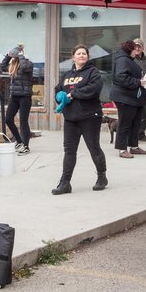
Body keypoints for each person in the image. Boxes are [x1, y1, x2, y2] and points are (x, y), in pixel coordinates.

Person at [52, 44, 108, 194]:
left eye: (84, 53)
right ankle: (65, 183)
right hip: (71, 118)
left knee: (93, 148)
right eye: (78, 53)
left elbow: (94, 89)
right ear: (73, 57)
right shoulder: (66, 75)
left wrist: (73, 94)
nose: (81, 55)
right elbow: (58, 90)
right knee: (69, 151)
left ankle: (102, 177)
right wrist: (59, 97)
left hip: (90, 116)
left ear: (88, 57)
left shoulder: (93, 72)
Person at [110, 40, 146, 158]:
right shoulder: (123, 60)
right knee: (125, 123)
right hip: (124, 97)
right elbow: (121, 77)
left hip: (132, 97)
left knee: (135, 122)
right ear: (129, 50)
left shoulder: (127, 60)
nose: (136, 52)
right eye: (134, 50)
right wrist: (138, 82)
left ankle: (133, 146)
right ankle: (122, 149)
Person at [0, 44, 33, 155]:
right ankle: (19, 141)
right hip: (14, 96)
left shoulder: (28, 63)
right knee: (8, 119)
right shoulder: (12, 65)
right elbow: (1, 67)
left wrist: (21, 56)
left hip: (25, 96)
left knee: (23, 122)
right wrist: (8, 56)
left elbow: (24, 67)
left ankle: (26, 147)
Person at [133, 38, 146, 143]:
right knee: (134, 114)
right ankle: (133, 135)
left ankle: (141, 134)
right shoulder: (130, 59)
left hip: (145, 91)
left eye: (139, 46)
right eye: (135, 46)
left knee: (144, 115)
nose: (137, 48)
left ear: (142, 48)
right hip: (134, 91)